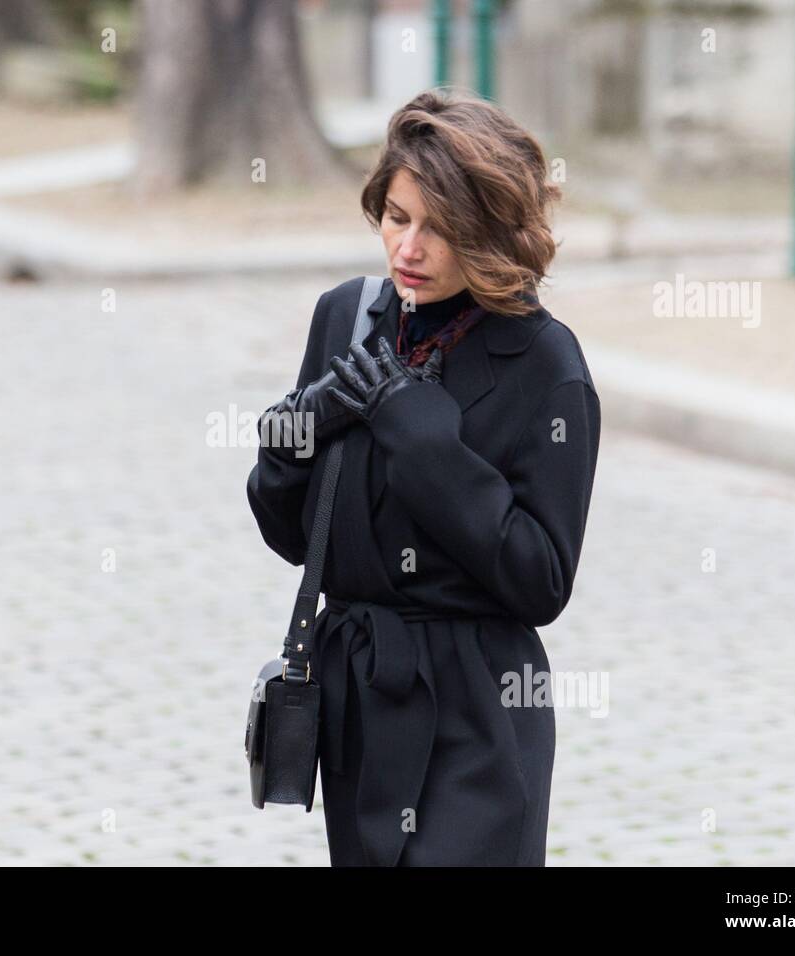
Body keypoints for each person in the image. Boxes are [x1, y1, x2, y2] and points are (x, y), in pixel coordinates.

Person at [245, 87, 601, 866]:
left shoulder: (545, 365)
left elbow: (542, 580)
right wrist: (304, 423)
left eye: (439, 228)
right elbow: (285, 530)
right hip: (363, 700)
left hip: (479, 710)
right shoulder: (348, 316)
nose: (408, 247)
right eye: (397, 218)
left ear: (488, 232)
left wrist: (424, 442)